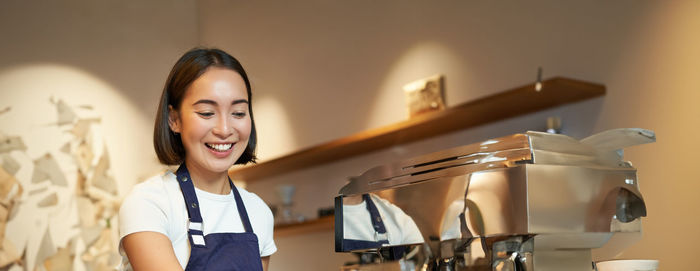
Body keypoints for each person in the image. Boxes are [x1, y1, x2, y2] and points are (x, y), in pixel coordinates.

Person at [118, 48, 276, 271]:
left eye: (238, 113)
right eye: (206, 113)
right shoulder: (149, 203)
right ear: (174, 120)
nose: (224, 129)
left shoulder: (258, 212)